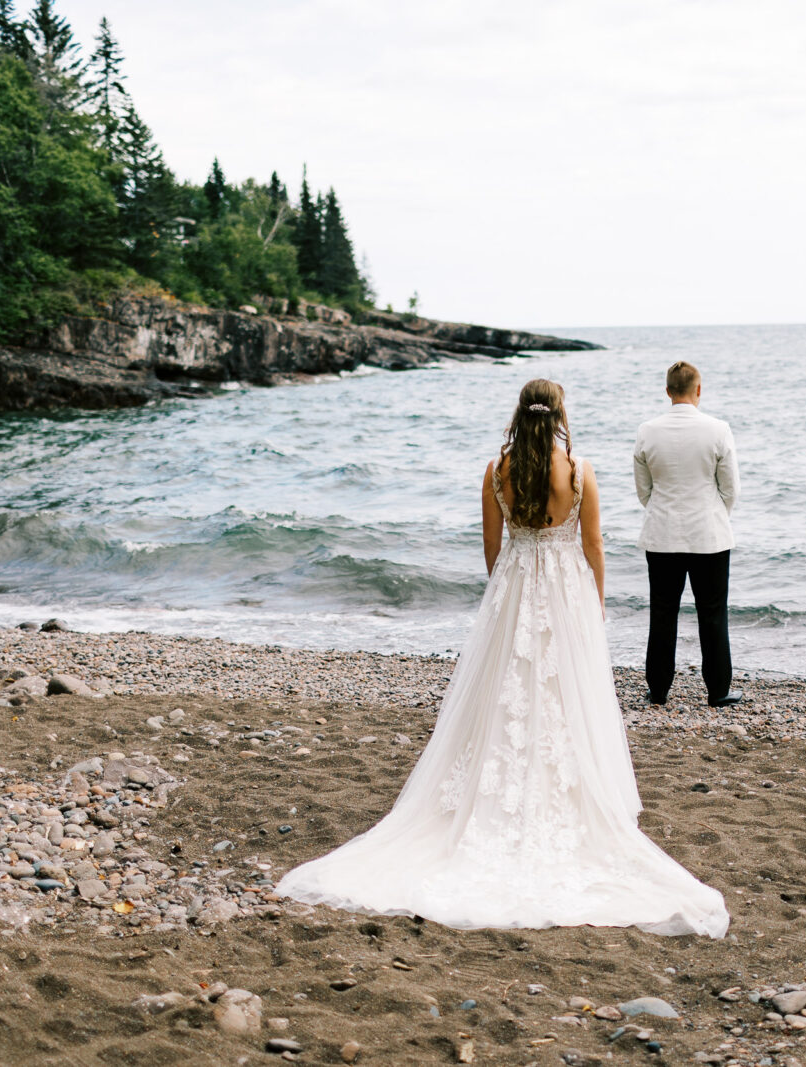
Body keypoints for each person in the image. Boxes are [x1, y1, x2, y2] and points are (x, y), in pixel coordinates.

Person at [275, 378, 728, 939]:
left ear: (519, 414)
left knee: (504, 692)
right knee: (567, 693)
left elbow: (493, 548)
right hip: (564, 594)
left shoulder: (496, 471)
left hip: (515, 589)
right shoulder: (580, 470)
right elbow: (592, 546)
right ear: (561, 415)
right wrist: (596, 597)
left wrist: (507, 593)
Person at [633, 361, 743, 708]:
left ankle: (659, 689)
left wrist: (665, 510)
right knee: (713, 612)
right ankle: (718, 690)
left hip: (662, 533)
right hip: (708, 535)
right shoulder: (718, 429)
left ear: (667, 391)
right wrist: (713, 514)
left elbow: (644, 491)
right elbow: (731, 488)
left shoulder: (647, 431)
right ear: (698, 390)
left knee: (662, 613)